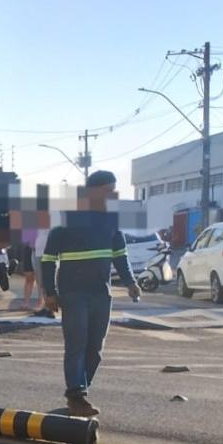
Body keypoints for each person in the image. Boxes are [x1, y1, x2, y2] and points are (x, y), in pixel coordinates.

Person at [39, 169, 140, 418]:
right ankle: (76, 395)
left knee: (95, 347)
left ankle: (81, 390)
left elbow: (120, 257)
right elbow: (48, 260)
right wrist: (50, 293)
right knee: (76, 344)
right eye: (108, 191)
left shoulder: (111, 221)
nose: (113, 195)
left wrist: (130, 282)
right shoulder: (67, 221)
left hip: (100, 293)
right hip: (73, 294)